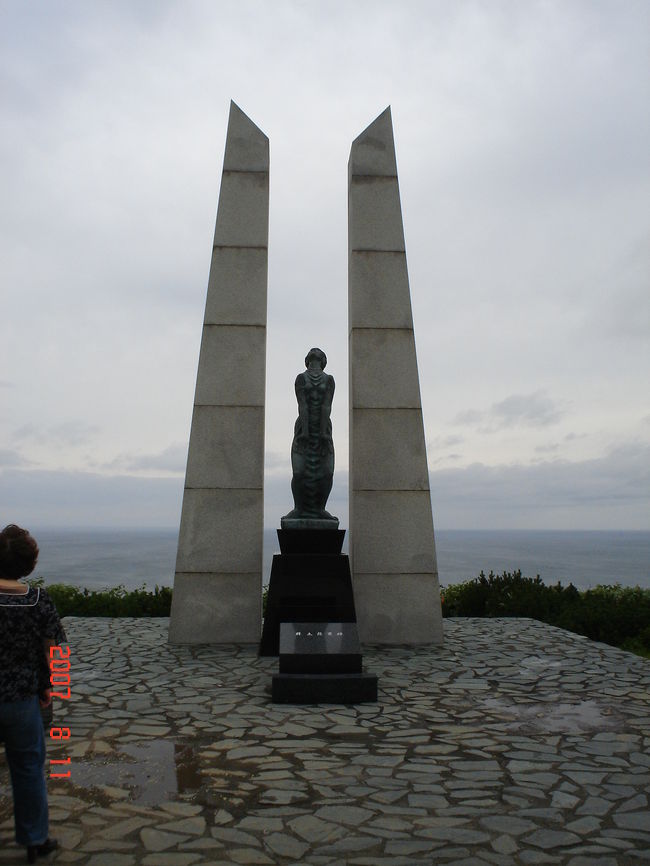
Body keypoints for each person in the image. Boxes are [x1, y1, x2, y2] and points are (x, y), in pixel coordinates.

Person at [0, 524, 67, 863]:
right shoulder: (39, 602)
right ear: (29, 565)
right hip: (22, 699)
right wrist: (49, 686)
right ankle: (34, 839)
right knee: (27, 768)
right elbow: (52, 650)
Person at [282, 347, 337, 521]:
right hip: (303, 429)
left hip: (323, 429)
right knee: (299, 472)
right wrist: (305, 431)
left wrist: (323, 433)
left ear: (323, 360)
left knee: (327, 472)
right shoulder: (301, 378)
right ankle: (299, 508)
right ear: (308, 360)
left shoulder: (329, 380)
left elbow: (326, 405)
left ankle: (320, 508)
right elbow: (302, 405)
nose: (315, 354)